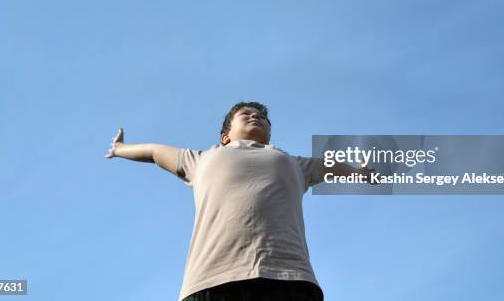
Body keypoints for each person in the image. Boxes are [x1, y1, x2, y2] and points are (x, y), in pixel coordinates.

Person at [105, 102, 365, 300]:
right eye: (247, 114)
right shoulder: (201, 159)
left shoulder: (292, 162)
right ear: (225, 136)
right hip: (212, 279)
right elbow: (154, 152)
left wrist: (359, 173)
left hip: (289, 276)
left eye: (262, 117)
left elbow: (329, 166)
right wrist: (120, 149)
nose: (256, 117)